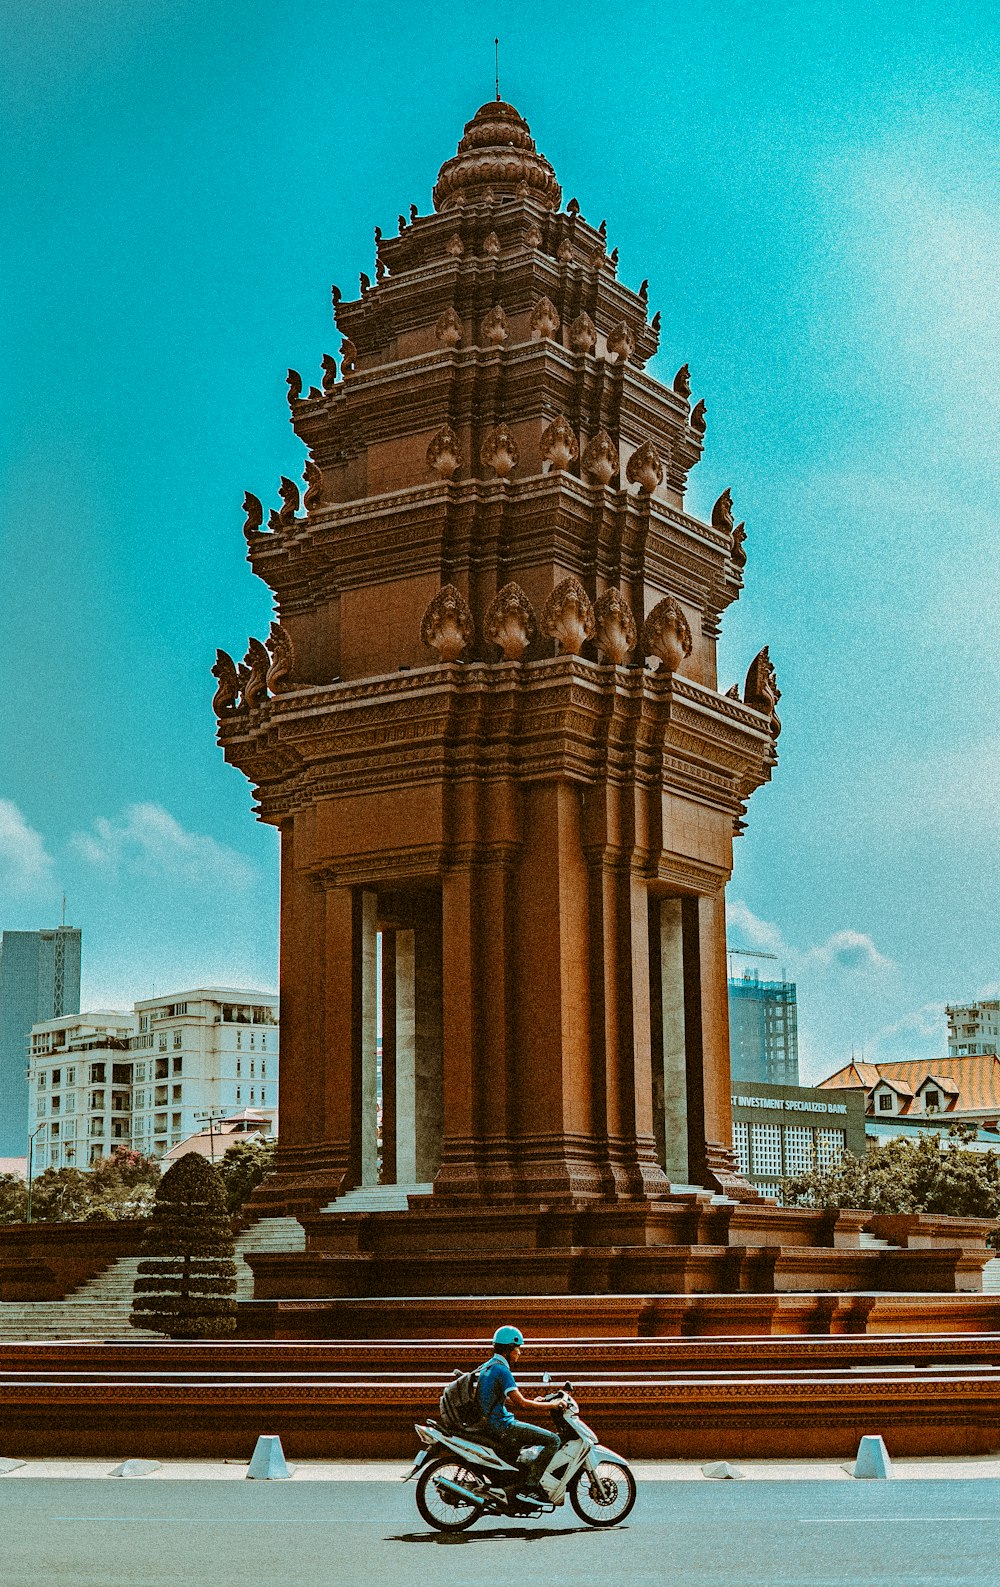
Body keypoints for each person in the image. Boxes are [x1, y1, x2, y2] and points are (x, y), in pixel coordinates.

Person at [477, 1325, 563, 1492]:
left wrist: (534, 1401)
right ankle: (531, 1486)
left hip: (490, 1423)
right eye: (517, 1348)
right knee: (554, 1441)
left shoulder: (488, 1366)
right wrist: (552, 1405)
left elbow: (499, 1398)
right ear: (509, 1349)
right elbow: (521, 1403)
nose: (519, 1352)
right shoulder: (502, 1370)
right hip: (502, 1426)